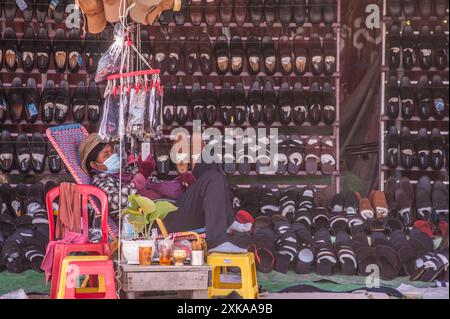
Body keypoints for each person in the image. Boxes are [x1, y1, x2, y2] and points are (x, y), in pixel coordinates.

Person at [78, 133, 249, 253]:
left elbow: (157, 186)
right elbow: (118, 202)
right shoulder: (101, 181)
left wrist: (181, 182)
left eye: (112, 151)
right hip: (158, 222)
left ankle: (228, 220)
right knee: (211, 178)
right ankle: (217, 241)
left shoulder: (124, 172)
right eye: (106, 154)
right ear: (94, 165)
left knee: (208, 159)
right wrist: (141, 176)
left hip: (171, 209)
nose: (112, 155)